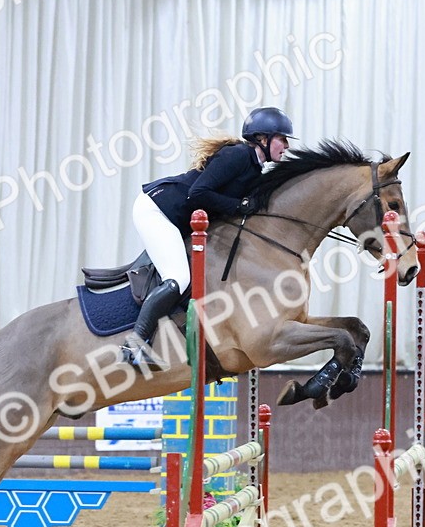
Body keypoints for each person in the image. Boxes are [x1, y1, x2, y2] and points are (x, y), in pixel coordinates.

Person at [121, 106, 295, 368]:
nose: (287, 146)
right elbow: (199, 193)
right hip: (156, 209)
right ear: (263, 138)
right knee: (178, 279)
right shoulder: (237, 155)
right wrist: (238, 205)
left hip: (175, 215)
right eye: (282, 138)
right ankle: (133, 346)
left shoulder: (253, 168)